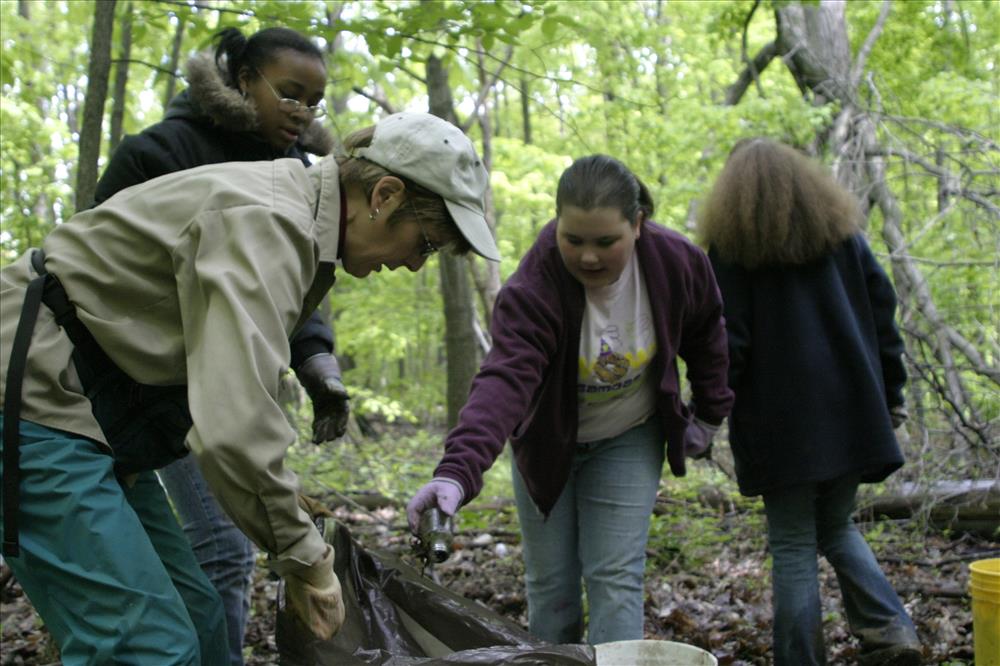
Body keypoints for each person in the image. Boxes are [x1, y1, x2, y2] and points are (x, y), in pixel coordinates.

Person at [0, 111, 499, 665]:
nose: (414, 265)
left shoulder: (299, 222)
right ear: (384, 195)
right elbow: (233, 428)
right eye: (424, 244)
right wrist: (306, 560)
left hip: (91, 414)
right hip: (30, 396)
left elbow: (231, 386)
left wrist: (287, 508)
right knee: (145, 647)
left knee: (199, 618)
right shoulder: (270, 222)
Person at [90, 26, 344, 664]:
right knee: (222, 544)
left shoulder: (301, 174)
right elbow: (102, 259)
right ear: (243, 81)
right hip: (154, 382)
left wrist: (318, 363)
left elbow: (289, 288)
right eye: (289, 92)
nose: (302, 112)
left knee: (210, 553)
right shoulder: (163, 151)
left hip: (228, 379)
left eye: (314, 101)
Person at [406, 155, 733, 645]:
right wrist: (457, 471)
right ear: (557, 224)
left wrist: (708, 414)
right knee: (551, 585)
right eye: (573, 240)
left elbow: (707, 335)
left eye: (606, 242)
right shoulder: (535, 286)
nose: (588, 257)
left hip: (629, 434)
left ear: (637, 224)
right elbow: (504, 380)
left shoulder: (676, 263)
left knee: (615, 577)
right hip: (546, 442)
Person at [697, 138, 922, 666]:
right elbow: (884, 317)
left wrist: (708, 411)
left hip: (782, 427)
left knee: (795, 541)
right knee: (836, 525)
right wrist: (892, 394)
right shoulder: (843, 238)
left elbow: (729, 343)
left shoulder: (731, 253)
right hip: (853, 414)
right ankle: (892, 631)